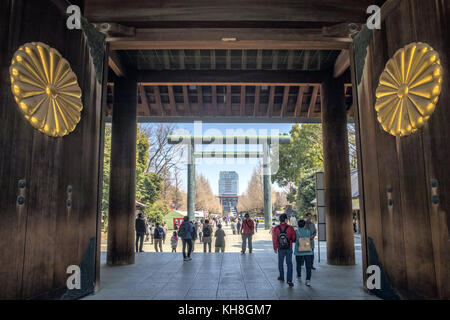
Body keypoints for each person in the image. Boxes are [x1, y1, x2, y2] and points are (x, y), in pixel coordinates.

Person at [272, 214, 296, 287]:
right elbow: (294, 238)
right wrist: (291, 240)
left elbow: (274, 239)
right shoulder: (290, 228)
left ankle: (281, 276)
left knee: (280, 263)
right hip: (289, 248)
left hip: (280, 248)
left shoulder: (276, 228)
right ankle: (289, 280)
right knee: (289, 264)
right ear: (286, 220)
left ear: (279, 220)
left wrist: (275, 248)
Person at [294, 219, 314, 286]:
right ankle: (308, 280)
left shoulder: (296, 232)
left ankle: (299, 276)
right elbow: (310, 238)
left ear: (298, 225)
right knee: (308, 266)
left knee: (298, 264)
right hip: (308, 251)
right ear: (305, 225)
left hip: (298, 251)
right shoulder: (308, 231)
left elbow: (294, 240)